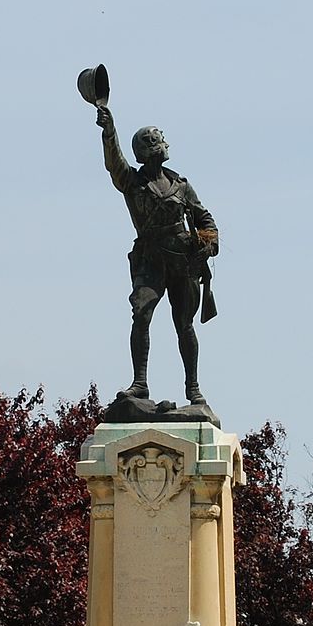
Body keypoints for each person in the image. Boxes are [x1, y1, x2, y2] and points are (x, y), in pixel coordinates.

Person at [95, 104, 218, 406]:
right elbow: (114, 163)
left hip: (182, 262)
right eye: (152, 141)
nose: (159, 144)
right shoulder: (132, 182)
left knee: (184, 324)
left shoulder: (182, 186)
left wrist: (206, 245)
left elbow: (206, 220)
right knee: (141, 314)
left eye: (159, 139)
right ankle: (140, 384)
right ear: (142, 151)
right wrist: (109, 131)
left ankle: (193, 388)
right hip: (150, 259)